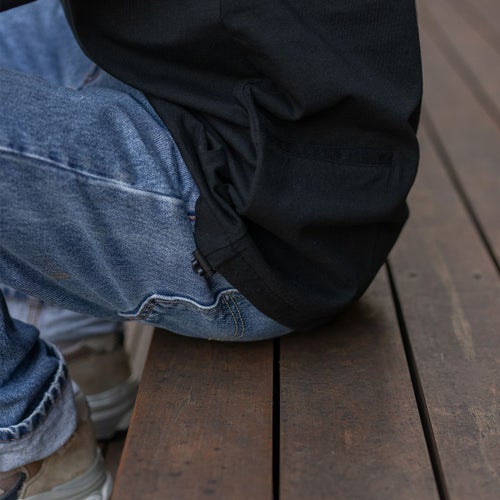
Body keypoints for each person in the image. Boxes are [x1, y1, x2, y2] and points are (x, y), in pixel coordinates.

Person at [0, 0, 422, 498]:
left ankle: (26, 438)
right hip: (292, 171)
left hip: (249, 236)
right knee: (28, 23)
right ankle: (75, 335)